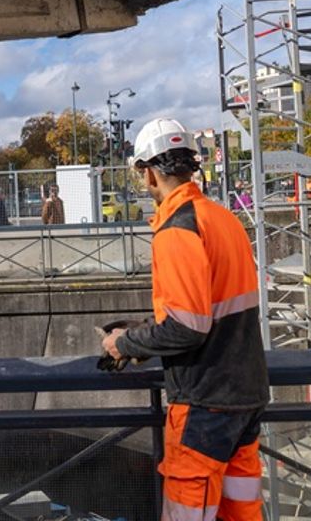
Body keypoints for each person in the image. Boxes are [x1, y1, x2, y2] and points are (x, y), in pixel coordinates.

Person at [101, 118, 268, 521]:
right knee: (241, 509)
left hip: (205, 401)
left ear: (148, 173)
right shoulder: (222, 218)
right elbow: (208, 306)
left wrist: (121, 344)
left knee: (188, 508)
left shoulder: (177, 230)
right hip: (245, 390)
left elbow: (188, 328)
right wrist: (143, 333)